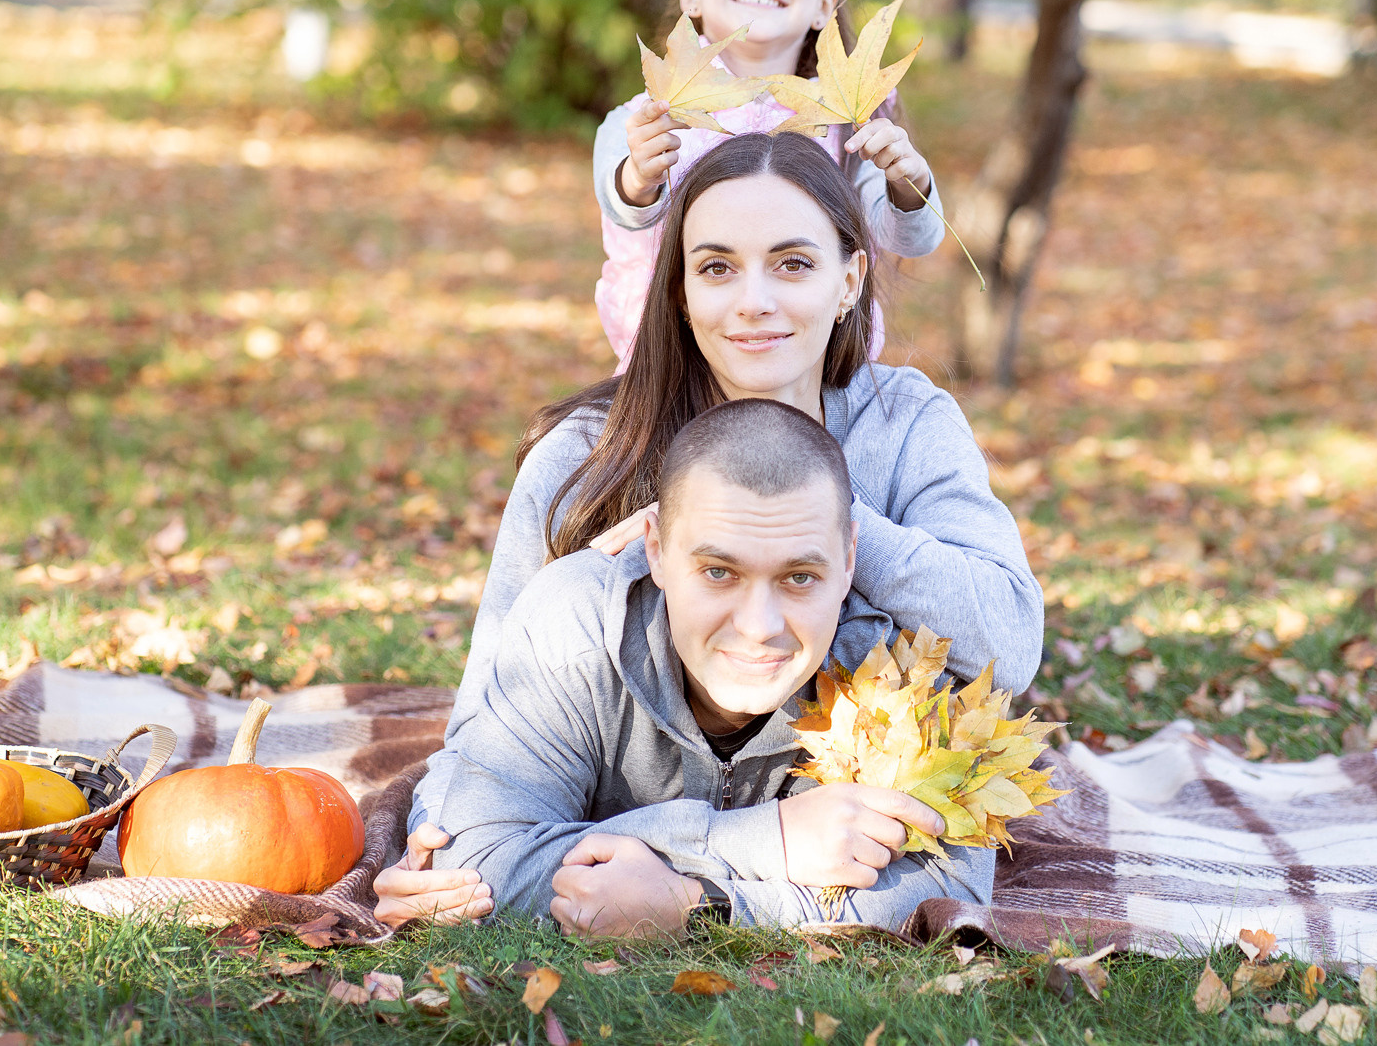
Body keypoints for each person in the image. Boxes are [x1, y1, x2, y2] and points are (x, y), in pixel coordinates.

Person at [373, 131, 1041, 928]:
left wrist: (818, 515)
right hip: (615, 771)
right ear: (681, 290)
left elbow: (1006, 644)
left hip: (838, 769)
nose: (754, 299)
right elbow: (489, 719)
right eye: (717, 267)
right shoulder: (588, 455)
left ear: (850, 278)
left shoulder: (907, 422)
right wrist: (450, 839)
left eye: (793, 263)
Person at [419, 398, 993, 935]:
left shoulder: (894, 665)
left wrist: (695, 904)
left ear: (848, 561)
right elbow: (473, 861)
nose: (758, 625)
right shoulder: (574, 622)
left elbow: (947, 885)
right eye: (720, 572)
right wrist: (767, 842)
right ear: (656, 549)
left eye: (799, 577)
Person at [593, 0, 945, 368]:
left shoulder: (849, 125)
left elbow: (910, 238)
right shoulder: (646, 119)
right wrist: (640, 177)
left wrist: (909, 185)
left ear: (826, 2)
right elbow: (624, 213)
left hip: (805, 372)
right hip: (676, 368)